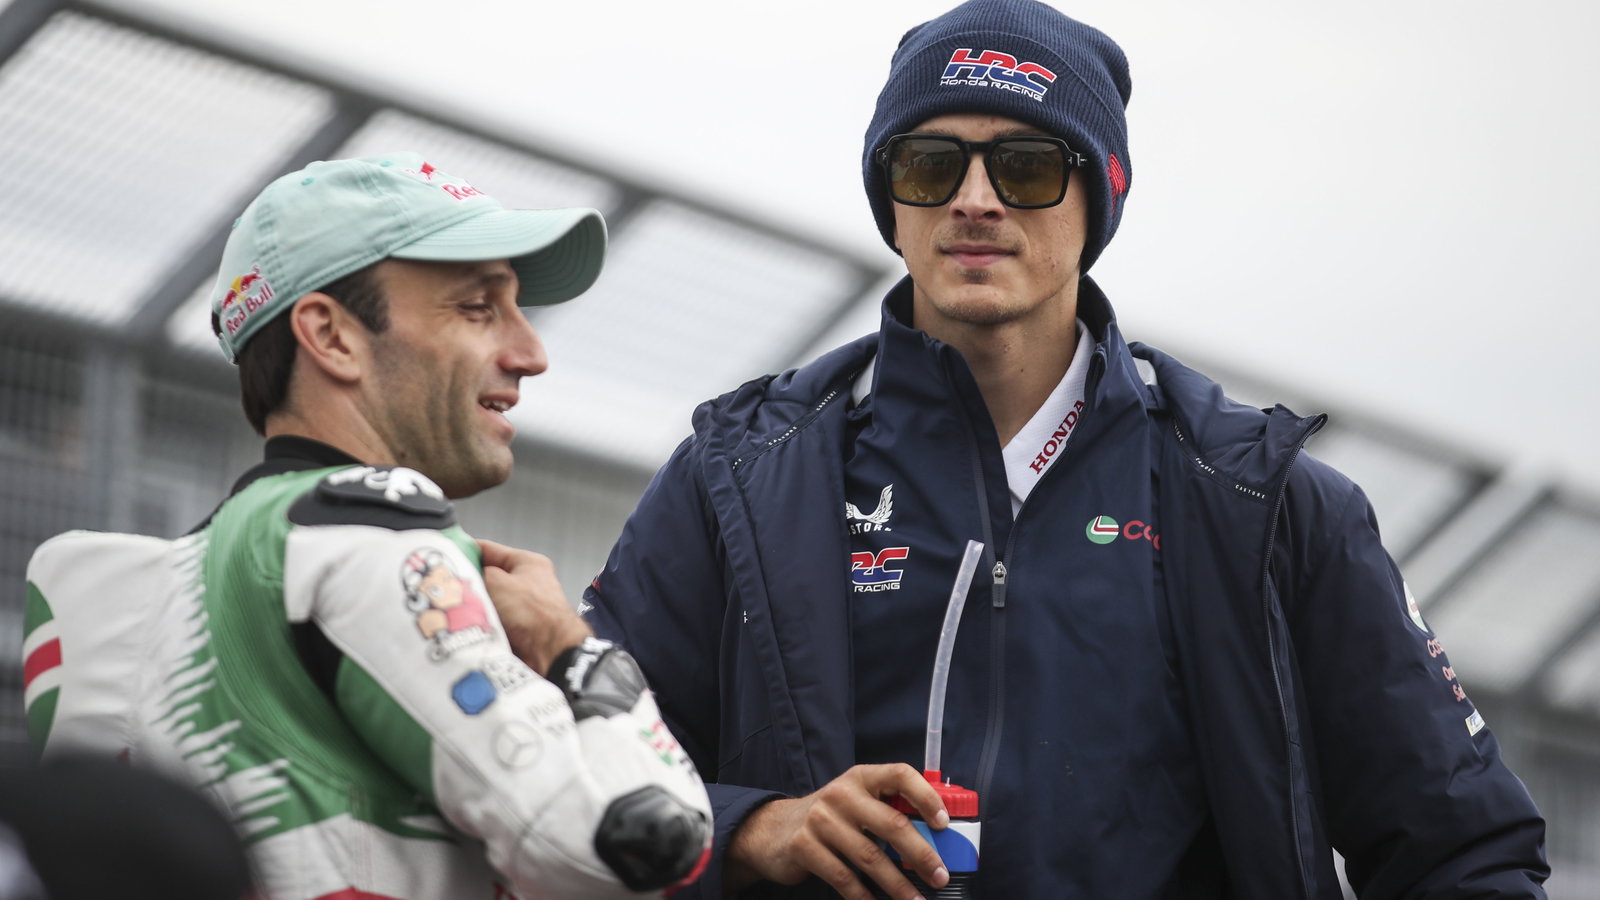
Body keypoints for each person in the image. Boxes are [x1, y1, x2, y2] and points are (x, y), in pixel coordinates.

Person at [576, 1, 1550, 898]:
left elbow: (1464, 849)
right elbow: (576, 779)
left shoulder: (1262, 504)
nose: (974, 200)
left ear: (1098, 198)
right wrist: (755, 828)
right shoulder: (739, 478)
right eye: (930, 164)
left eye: (1028, 166)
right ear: (892, 197)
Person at [22, 152, 712, 900]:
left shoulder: (132, 583)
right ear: (332, 336)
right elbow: (633, 850)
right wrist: (573, 653)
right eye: (479, 308)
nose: (530, 353)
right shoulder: (369, 540)